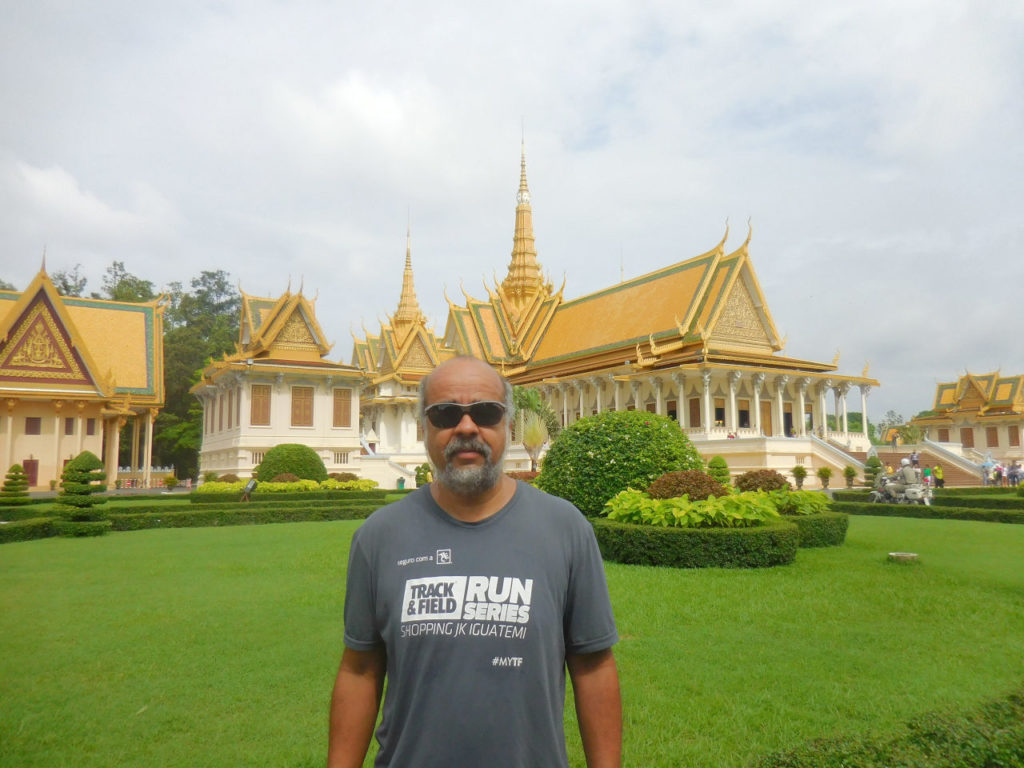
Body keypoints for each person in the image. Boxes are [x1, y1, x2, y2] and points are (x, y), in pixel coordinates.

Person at [327, 356, 621, 768]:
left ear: (508, 427)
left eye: (485, 413)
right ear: (423, 428)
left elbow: (593, 666)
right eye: (445, 414)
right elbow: (359, 670)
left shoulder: (565, 529)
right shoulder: (379, 537)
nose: (466, 428)